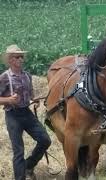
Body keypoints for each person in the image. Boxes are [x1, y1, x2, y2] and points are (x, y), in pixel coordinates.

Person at [0, 45, 51, 180]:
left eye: (22, 56)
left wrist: (34, 99)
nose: (21, 59)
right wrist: (8, 99)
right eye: (17, 57)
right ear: (10, 60)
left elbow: (30, 94)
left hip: (26, 113)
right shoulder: (5, 77)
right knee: (18, 151)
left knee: (45, 140)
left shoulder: (27, 75)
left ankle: (28, 165)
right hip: (13, 115)